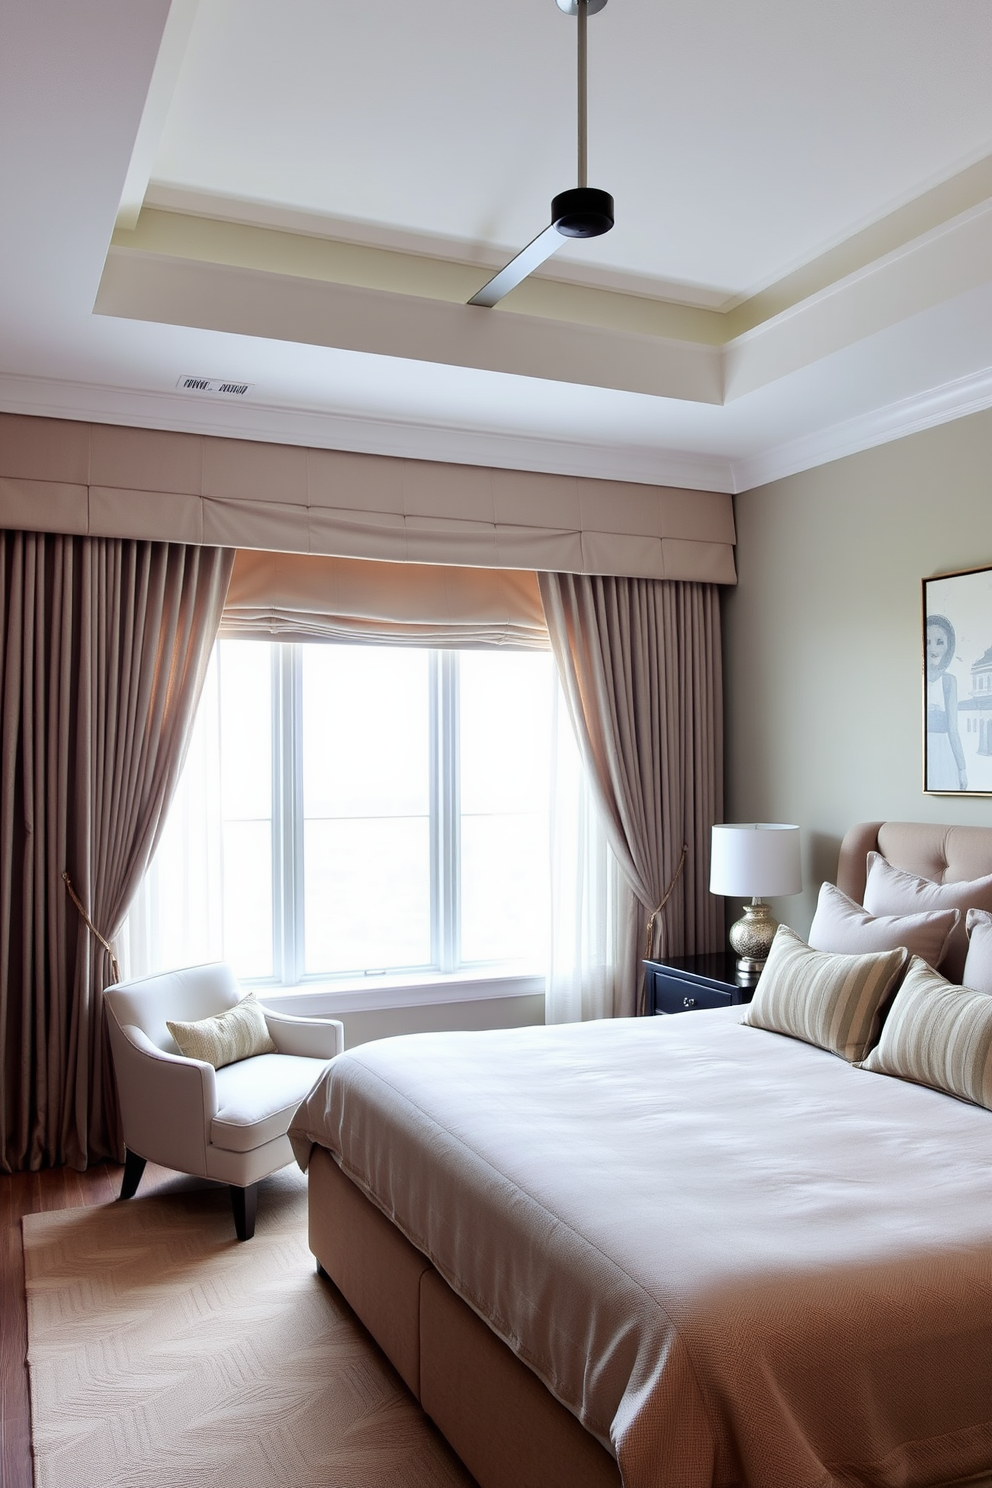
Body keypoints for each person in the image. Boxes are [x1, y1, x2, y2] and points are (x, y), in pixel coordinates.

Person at [926, 613, 967, 790]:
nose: (932, 648)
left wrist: (962, 768)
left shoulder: (949, 681)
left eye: (939, 642)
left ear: (949, 646)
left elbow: (953, 729)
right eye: (927, 642)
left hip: (944, 753)